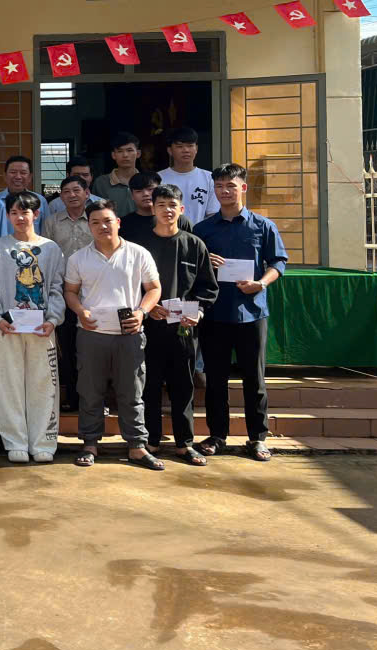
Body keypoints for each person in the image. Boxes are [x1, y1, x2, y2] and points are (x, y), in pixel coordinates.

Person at [193, 163, 288, 463]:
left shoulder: (263, 226)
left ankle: (257, 438)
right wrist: (205, 262)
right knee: (215, 379)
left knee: (254, 379)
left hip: (252, 312)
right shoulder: (202, 230)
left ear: (243, 188)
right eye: (219, 186)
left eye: (230, 186)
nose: (224, 191)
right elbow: (191, 268)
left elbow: (278, 263)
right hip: (214, 313)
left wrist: (261, 283)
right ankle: (217, 435)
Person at [63, 199, 163, 470]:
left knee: (132, 392)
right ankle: (90, 444)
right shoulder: (78, 258)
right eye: (95, 222)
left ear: (118, 222)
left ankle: (137, 446)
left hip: (129, 333)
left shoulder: (138, 253)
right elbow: (70, 291)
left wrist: (141, 312)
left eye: (107, 221)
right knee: (90, 392)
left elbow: (154, 288)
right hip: (91, 333)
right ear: (89, 227)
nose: (102, 226)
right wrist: (80, 311)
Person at [0, 191, 65, 463]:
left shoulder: (50, 249)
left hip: (42, 329)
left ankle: (43, 442)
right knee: (9, 384)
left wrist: (53, 319)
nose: (20, 217)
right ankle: (15, 441)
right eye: (14, 212)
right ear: (8, 216)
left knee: (43, 384)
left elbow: (57, 288)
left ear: (36, 214)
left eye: (25, 212)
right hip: (8, 329)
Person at [138, 185, 219, 466]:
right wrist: (147, 308)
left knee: (183, 386)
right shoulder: (139, 247)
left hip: (184, 328)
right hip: (149, 328)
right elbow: (130, 286)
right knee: (148, 385)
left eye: (172, 205)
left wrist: (199, 312)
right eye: (161, 205)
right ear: (153, 208)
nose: (167, 210)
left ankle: (184, 443)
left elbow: (208, 288)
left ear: (181, 209)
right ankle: (150, 440)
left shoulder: (194, 245)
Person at [45, 176, 95, 412]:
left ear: (87, 193)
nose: (72, 195)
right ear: (61, 197)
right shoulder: (52, 222)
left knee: (92, 350)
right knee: (67, 347)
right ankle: (73, 397)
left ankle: (94, 400)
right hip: (63, 293)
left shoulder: (95, 219)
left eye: (77, 190)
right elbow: (46, 257)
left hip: (93, 293)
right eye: (66, 191)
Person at [159, 127, 216, 224]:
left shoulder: (210, 178)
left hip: (201, 232)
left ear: (196, 149)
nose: (185, 150)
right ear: (170, 150)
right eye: (180, 146)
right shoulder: (159, 178)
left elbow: (213, 214)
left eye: (190, 146)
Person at [119, 172, 193, 242]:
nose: (145, 194)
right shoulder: (123, 224)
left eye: (150, 189)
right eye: (139, 191)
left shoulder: (178, 219)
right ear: (132, 195)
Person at [92, 132, 143, 217]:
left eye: (129, 150)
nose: (125, 155)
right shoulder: (101, 183)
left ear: (138, 153)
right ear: (113, 155)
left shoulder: (147, 182)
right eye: (120, 151)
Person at [0, 156, 45, 235]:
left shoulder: (40, 200)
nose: (18, 177)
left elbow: (45, 230)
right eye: (13, 172)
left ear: (30, 177)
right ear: (5, 176)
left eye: (23, 173)